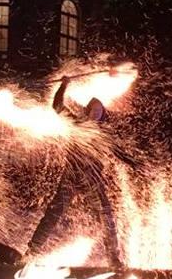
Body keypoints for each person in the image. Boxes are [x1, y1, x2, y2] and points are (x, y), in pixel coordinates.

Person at [26, 76, 122, 267]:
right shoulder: (76, 123)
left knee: (106, 215)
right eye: (93, 110)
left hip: (92, 178)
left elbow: (117, 153)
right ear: (87, 111)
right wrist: (64, 85)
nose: (95, 113)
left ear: (102, 114)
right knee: (54, 213)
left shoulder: (103, 132)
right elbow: (57, 106)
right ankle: (32, 252)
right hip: (71, 176)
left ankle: (113, 257)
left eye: (99, 111)